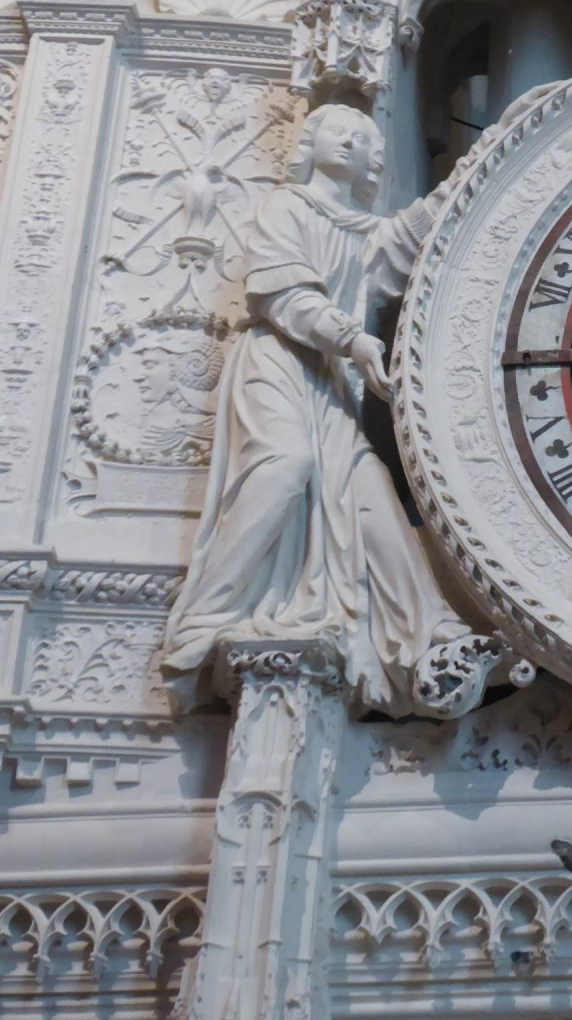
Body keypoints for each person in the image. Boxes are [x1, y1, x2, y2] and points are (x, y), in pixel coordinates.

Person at [162, 104, 467, 713]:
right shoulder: (286, 206)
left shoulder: (368, 232)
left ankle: (431, 633)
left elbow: (419, 229)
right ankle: (205, 616)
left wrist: (490, 149)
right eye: (337, 130)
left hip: (329, 379)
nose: (350, 140)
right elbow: (282, 295)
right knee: (287, 463)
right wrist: (352, 339)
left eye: (363, 136)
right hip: (277, 360)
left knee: (369, 487)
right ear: (310, 143)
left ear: (375, 160)